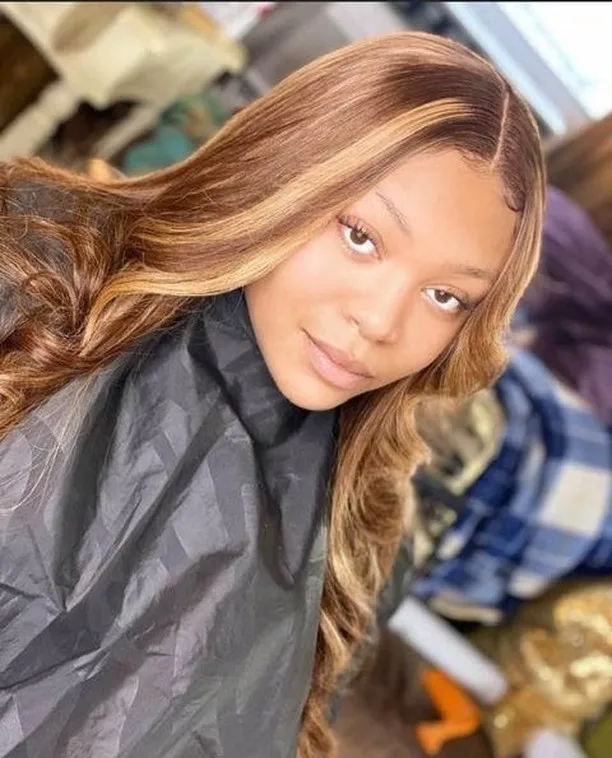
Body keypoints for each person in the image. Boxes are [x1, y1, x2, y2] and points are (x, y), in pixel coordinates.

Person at [0, 32, 544, 758]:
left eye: (446, 296)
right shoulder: (29, 269)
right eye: (360, 236)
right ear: (283, 170)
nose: (380, 322)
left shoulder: (362, 536)